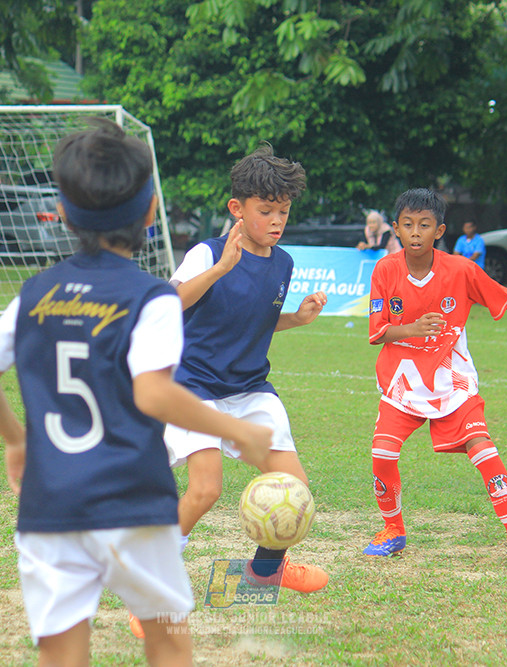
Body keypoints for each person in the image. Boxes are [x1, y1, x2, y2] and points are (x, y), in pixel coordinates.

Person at [0, 119, 272, 667]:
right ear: (151, 212)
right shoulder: (150, 297)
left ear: (63, 213)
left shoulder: (35, 292)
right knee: (170, 639)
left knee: (62, 654)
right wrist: (238, 430)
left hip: (50, 507)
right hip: (134, 506)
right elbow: (153, 394)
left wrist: (16, 440)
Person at [363, 188, 507, 567]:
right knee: (382, 453)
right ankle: (393, 529)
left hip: (452, 380)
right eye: (407, 225)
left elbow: (506, 297)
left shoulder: (461, 270)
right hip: (402, 382)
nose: (415, 232)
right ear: (396, 230)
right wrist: (413, 328)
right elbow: (377, 331)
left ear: (439, 231)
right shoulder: (385, 270)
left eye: (424, 225)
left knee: (483, 448)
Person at [163, 144, 329, 599]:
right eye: (266, 211)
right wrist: (220, 269)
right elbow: (169, 304)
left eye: (284, 212)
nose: (276, 221)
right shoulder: (207, 253)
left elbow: (254, 318)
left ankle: (264, 572)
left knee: (295, 488)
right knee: (205, 490)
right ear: (237, 208)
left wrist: (296, 318)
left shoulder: (284, 263)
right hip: (194, 388)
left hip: (250, 389)